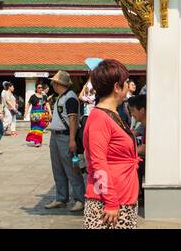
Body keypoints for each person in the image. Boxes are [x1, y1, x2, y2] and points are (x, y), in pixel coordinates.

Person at [81, 59, 140, 229]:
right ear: (116, 87)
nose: (129, 86)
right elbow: (98, 162)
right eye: (126, 82)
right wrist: (111, 202)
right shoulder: (99, 118)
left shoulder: (113, 114)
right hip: (109, 202)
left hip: (123, 195)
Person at [45, 70, 84, 212]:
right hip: (56, 135)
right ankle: (61, 197)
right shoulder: (60, 97)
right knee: (58, 168)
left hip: (66, 136)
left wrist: (72, 139)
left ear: (58, 83)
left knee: (72, 169)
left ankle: (80, 199)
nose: (52, 84)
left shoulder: (70, 98)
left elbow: (73, 119)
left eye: (54, 82)